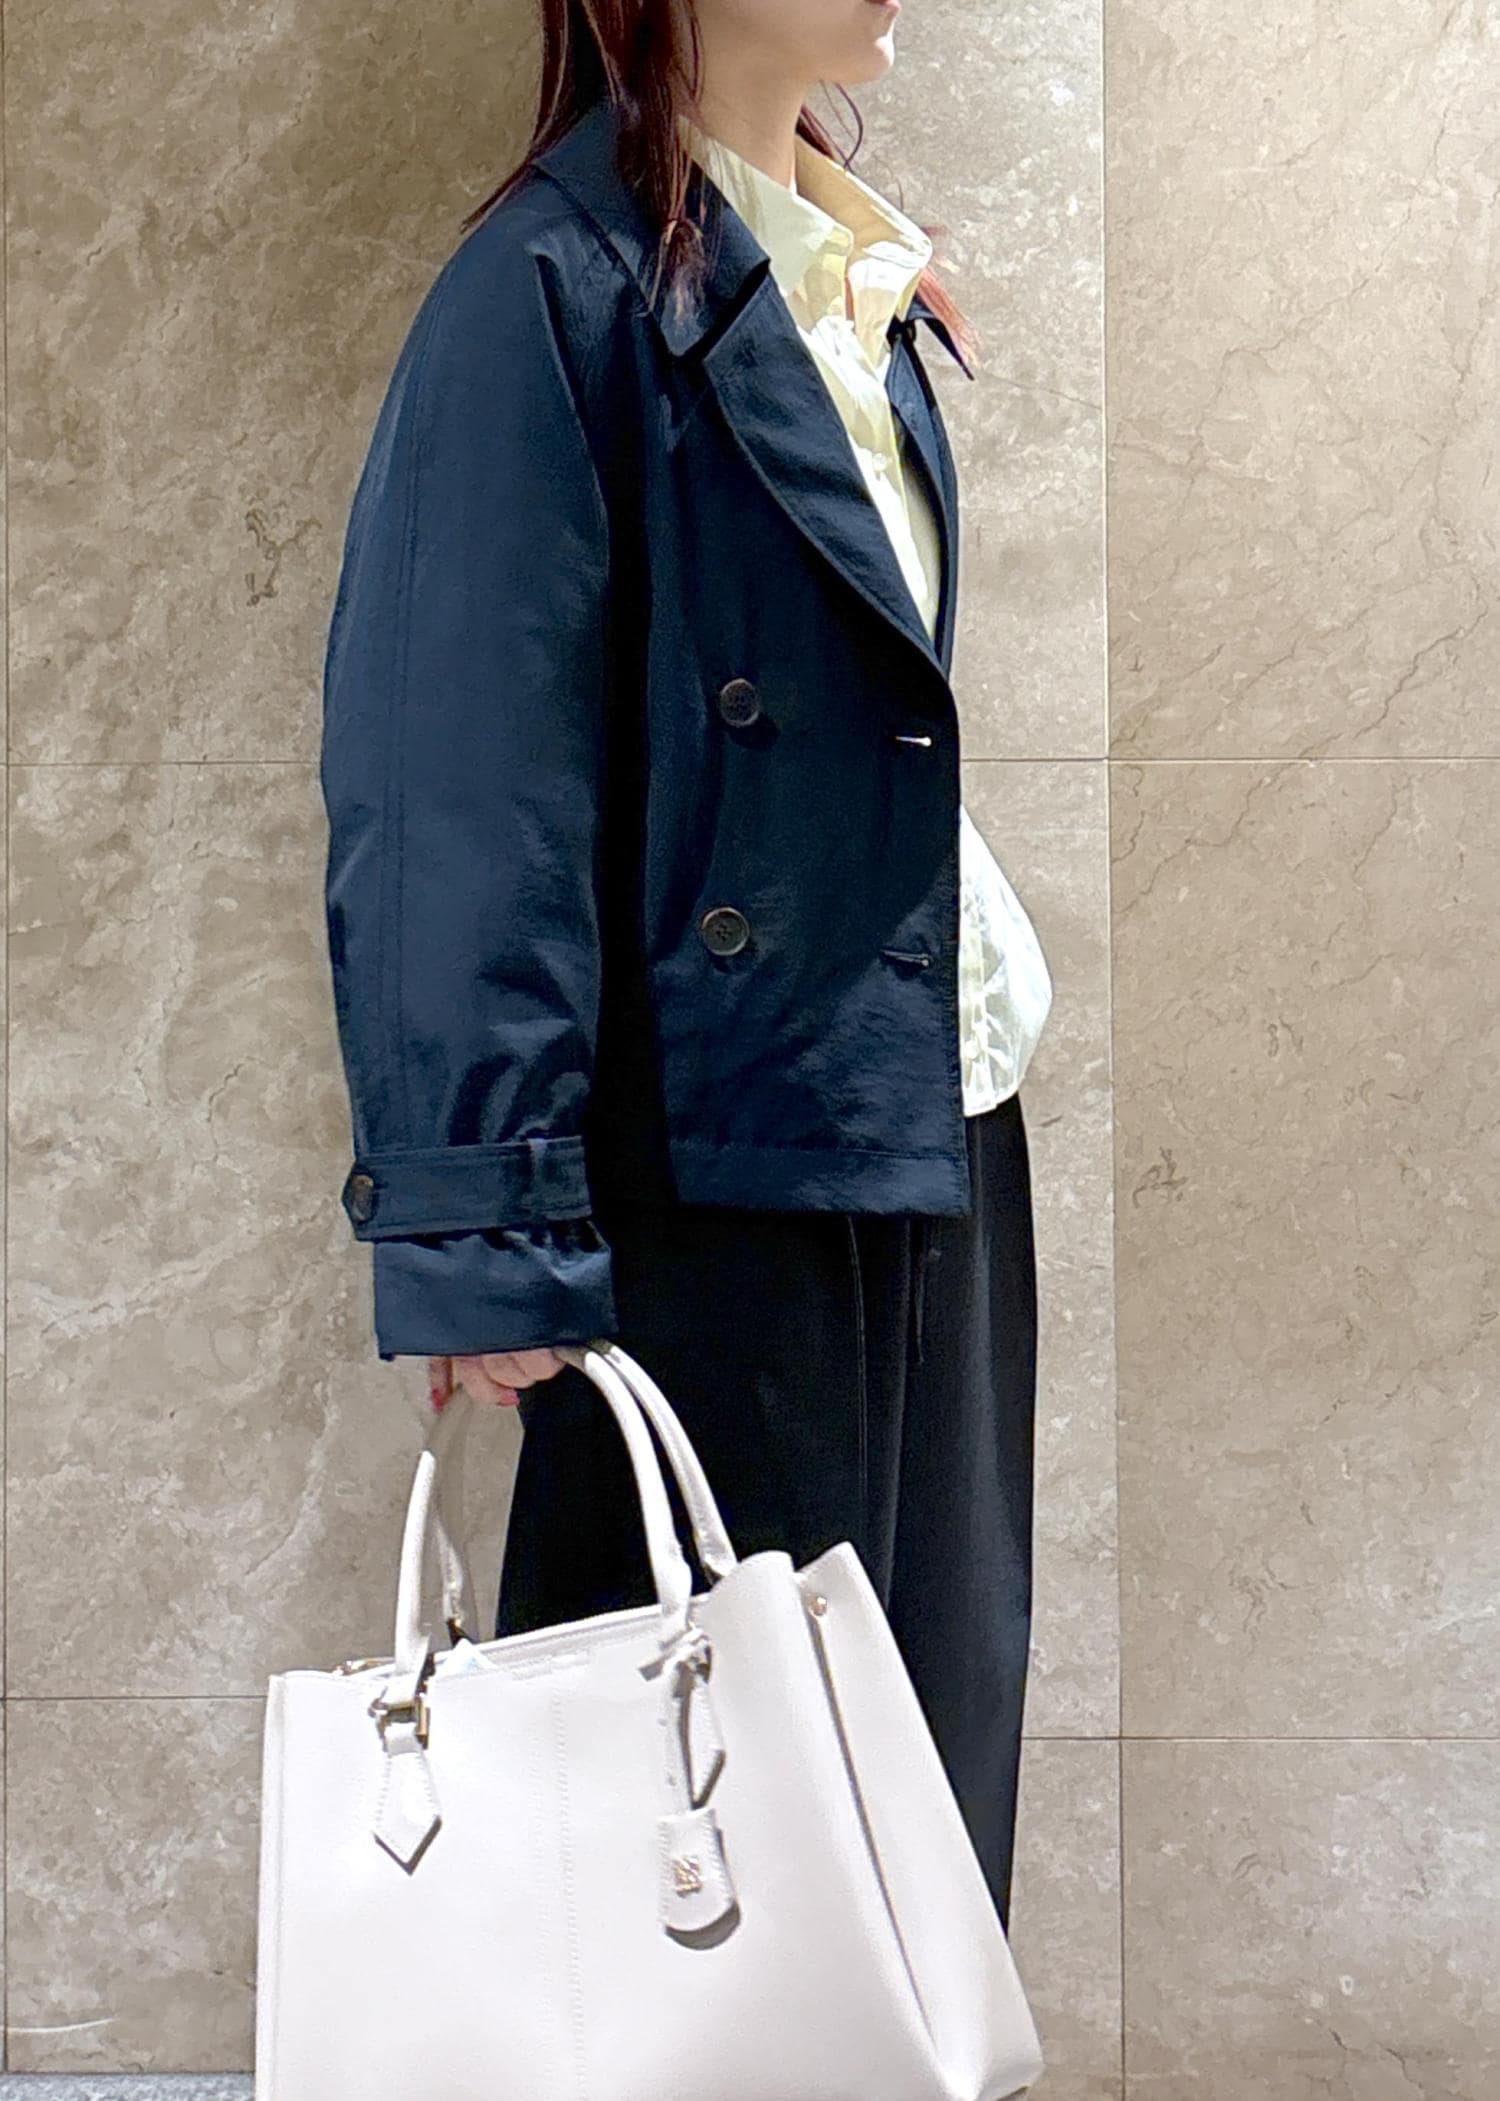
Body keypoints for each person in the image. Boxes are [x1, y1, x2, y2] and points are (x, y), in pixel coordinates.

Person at [319, 0, 1053, 1931]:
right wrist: (481, 1218)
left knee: (915, 1802)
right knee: (714, 1849)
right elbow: (456, 775)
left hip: (935, 1120)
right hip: (715, 1173)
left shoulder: (847, 274)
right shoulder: (544, 293)